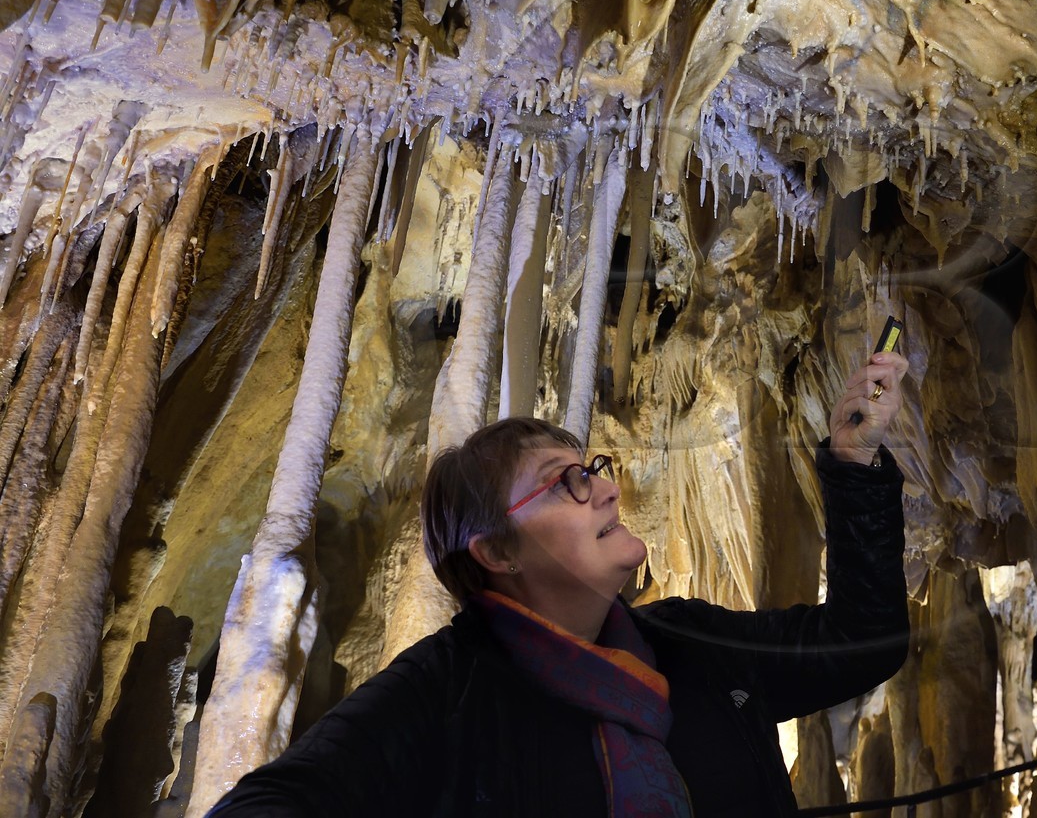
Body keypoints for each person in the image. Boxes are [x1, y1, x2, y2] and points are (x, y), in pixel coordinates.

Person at [208, 349, 912, 817]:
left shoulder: (690, 643)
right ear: (497, 550)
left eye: (592, 468)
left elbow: (862, 640)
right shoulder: (446, 694)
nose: (605, 490)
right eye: (565, 483)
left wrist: (853, 462)